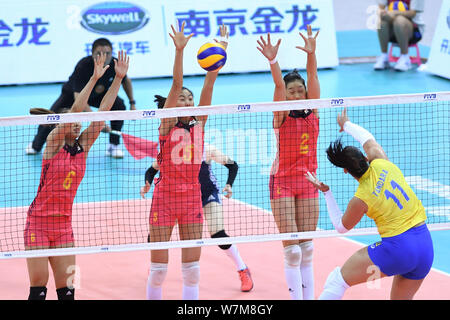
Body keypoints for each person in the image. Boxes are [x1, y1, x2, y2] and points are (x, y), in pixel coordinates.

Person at [24, 50, 130, 300]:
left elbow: (102, 113)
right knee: (39, 289)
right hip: (38, 224)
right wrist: (92, 80)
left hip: (64, 226)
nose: (78, 122)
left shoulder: (81, 149)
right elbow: (74, 111)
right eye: (73, 120)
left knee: (69, 290)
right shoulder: (52, 146)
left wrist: (117, 79)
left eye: (80, 120)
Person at [306, 108, 434, 300]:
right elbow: (367, 138)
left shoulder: (362, 197)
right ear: (366, 158)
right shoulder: (382, 162)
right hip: (425, 247)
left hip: (398, 249)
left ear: (346, 172)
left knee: (337, 280)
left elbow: (341, 227)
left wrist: (327, 193)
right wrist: (346, 125)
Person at [145, 22, 228, 300]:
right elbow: (177, 83)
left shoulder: (200, 124)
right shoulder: (167, 124)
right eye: (180, 98)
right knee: (158, 270)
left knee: (192, 270)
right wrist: (180, 51)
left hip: (192, 197)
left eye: (189, 99)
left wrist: (219, 54)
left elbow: (210, 81)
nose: (185, 99)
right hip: (165, 197)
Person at [256, 25, 320, 300]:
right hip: (282, 180)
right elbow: (278, 85)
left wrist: (311, 55)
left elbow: (313, 75)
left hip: (308, 181)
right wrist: (273, 61)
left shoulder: (315, 110)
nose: (295, 95)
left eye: (299, 91)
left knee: (307, 249)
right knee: (292, 250)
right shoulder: (281, 115)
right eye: (291, 92)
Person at [141, 140, 254, 292]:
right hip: (182, 199)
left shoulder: (206, 149)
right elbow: (151, 170)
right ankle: (156, 265)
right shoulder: (171, 151)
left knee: (218, 234)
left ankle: (243, 269)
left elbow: (232, 165)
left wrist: (229, 185)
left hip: (207, 195)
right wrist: (147, 183)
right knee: (155, 236)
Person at [25, 38, 136, 158]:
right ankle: (36, 145)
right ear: (92, 53)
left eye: (108, 53)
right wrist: (96, 119)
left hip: (96, 96)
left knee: (119, 105)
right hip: (71, 95)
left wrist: (132, 102)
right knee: (51, 117)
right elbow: (78, 98)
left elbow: (126, 81)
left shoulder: (115, 64)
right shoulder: (84, 65)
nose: (104, 56)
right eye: (99, 53)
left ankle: (113, 145)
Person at [374, 0, 425, 71]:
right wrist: (383, 13)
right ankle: (384, 56)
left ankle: (405, 58)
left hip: (414, 31)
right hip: (393, 28)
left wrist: (395, 13)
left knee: (399, 20)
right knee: (382, 22)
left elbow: (413, 13)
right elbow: (380, 9)